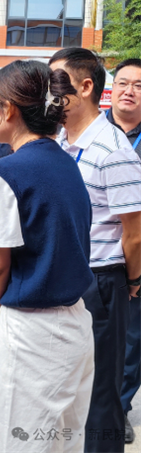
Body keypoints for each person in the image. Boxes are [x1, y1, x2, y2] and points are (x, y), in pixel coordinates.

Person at [0, 60, 95, 453]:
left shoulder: (6, 172)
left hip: (30, 331)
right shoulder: (67, 162)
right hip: (75, 324)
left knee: (16, 440)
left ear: (9, 109)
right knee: (64, 440)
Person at [49, 48, 141, 453]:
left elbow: (134, 233)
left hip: (100, 282)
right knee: (65, 391)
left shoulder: (113, 149)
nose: (48, 93)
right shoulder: (59, 141)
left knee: (101, 393)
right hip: (63, 279)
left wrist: (132, 280)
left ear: (85, 87)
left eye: (56, 83)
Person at [106, 58, 141, 444]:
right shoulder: (91, 133)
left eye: (139, 85)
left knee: (133, 341)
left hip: (138, 252)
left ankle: (120, 407)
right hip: (97, 257)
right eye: (123, 83)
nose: (129, 90)